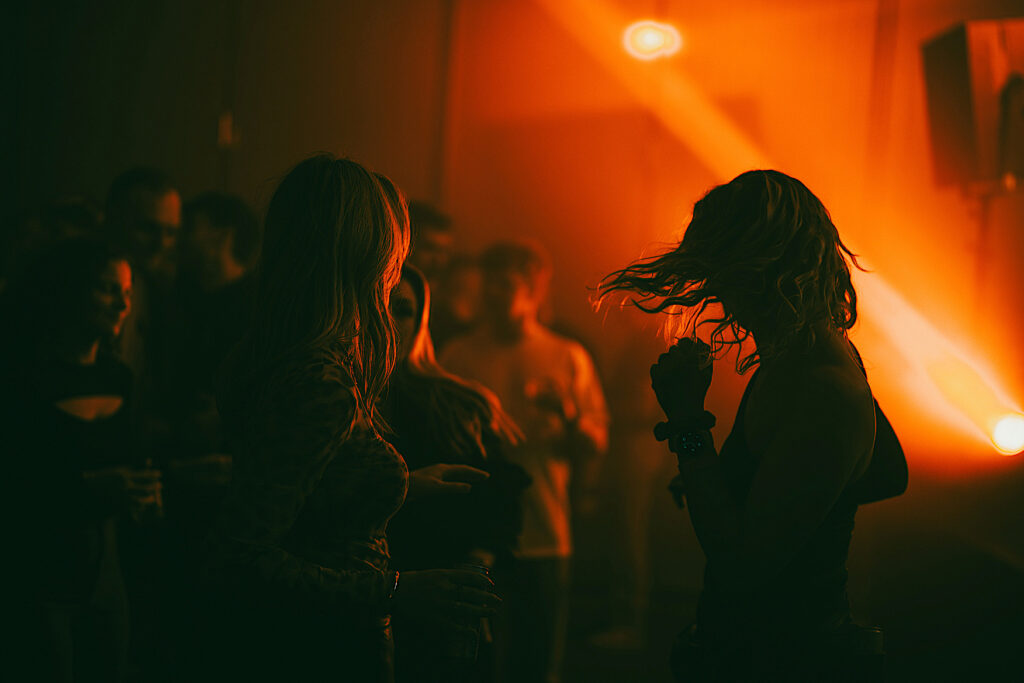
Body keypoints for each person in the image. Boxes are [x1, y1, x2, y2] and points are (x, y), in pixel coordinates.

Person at [599, 169, 908, 681]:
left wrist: (687, 422)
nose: (718, 289)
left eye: (724, 271)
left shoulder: (822, 386)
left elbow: (741, 567)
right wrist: (744, 486)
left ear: (765, 268)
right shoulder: (808, 357)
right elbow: (890, 473)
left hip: (786, 660)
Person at [200, 155, 500, 682]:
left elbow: (302, 499)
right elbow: (241, 555)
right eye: (393, 247)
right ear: (366, 253)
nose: (398, 268)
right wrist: (400, 589)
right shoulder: (321, 380)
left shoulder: (286, 355)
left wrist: (401, 483)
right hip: (320, 648)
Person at [441, 240, 609, 683]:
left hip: (544, 533)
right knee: (474, 663)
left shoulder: (566, 356)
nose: (494, 293)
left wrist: (568, 417)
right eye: (489, 283)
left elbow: (595, 443)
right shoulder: (457, 355)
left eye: (506, 284)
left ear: (534, 291)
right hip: (475, 531)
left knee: (536, 664)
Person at [1, 237, 162, 682]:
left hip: (107, 571)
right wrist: (87, 487)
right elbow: (15, 480)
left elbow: (132, 460)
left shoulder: (118, 376)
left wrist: (148, 489)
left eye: (127, 293)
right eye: (108, 290)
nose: (122, 305)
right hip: (39, 570)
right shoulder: (23, 380)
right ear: (71, 291)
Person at [384, 265, 531, 683]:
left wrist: (476, 573)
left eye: (403, 309)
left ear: (421, 321)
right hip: (356, 598)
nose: (391, 321)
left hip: (441, 605)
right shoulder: (331, 398)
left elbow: (500, 498)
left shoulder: (458, 404)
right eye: (381, 306)